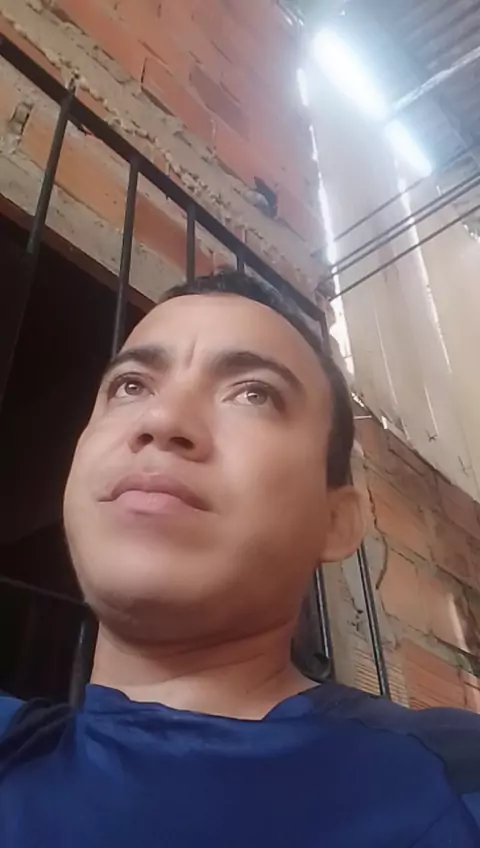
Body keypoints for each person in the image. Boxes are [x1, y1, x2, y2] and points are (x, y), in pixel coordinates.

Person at [0, 270, 479, 847]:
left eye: (254, 394)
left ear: (335, 521)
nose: (162, 422)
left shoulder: (449, 783)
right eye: (131, 386)